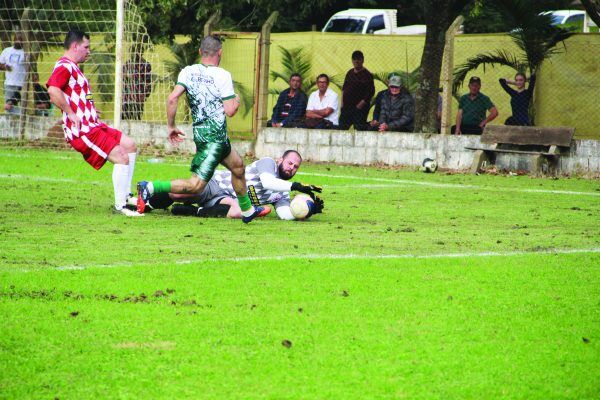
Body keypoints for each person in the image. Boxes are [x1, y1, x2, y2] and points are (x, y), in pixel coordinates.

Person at [136, 35, 266, 223]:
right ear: (220, 52)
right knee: (196, 186)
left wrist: (171, 126)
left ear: (200, 52)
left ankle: (247, 211)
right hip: (214, 139)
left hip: (206, 135)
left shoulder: (187, 72)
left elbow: (172, 99)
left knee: (238, 167)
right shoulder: (223, 75)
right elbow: (230, 111)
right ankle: (150, 187)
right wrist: (236, 101)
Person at [47, 30, 141, 216]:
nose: (88, 51)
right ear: (75, 46)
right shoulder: (64, 66)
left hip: (93, 123)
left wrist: (88, 108)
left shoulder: (75, 68)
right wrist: (71, 113)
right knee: (121, 157)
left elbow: (76, 95)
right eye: (86, 47)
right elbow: (53, 90)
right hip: (83, 131)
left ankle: (127, 195)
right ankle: (120, 206)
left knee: (130, 146)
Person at [136, 150, 324, 220]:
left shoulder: (281, 194)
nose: (291, 168)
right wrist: (296, 186)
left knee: (238, 211)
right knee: (180, 194)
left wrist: (308, 209)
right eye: (289, 163)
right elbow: (268, 182)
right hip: (217, 184)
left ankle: (194, 212)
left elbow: (284, 215)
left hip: (227, 199)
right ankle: (147, 198)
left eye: (295, 167)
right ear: (280, 160)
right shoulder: (269, 164)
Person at [338, 50, 375, 131]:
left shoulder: (367, 75)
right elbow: (344, 89)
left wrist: (359, 106)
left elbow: (370, 92)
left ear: (363, 60)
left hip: (360, 110)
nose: (356, 61)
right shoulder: (349, 73)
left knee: (359, 130)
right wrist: (342, 104)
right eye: (354, 59)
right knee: (341, 129)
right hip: (346, 109)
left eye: (358, 59)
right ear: (352, 60)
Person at [0, 32, 26, 115]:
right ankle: (20, 118)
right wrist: (5, 67)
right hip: (9, 84)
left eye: (21, 40)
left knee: (24, 106)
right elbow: (0, 64)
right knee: (9, 108)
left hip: (22, 85)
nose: (18, 41)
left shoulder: (25, 53)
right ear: (13, 39)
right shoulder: (7, 51)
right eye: (17, 39)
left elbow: (30, 68)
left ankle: (23, 117)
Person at [122, 49, 152, 120]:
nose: (135, 54)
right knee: (125, 119)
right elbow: (122, 80)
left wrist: (146, 94)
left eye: (137, 52)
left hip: (139, 98)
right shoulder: (126, 64)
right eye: (132, 52)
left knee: (137, 119)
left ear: (141, 53)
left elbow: (147, 81)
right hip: (127, 97)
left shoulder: (146, 65)